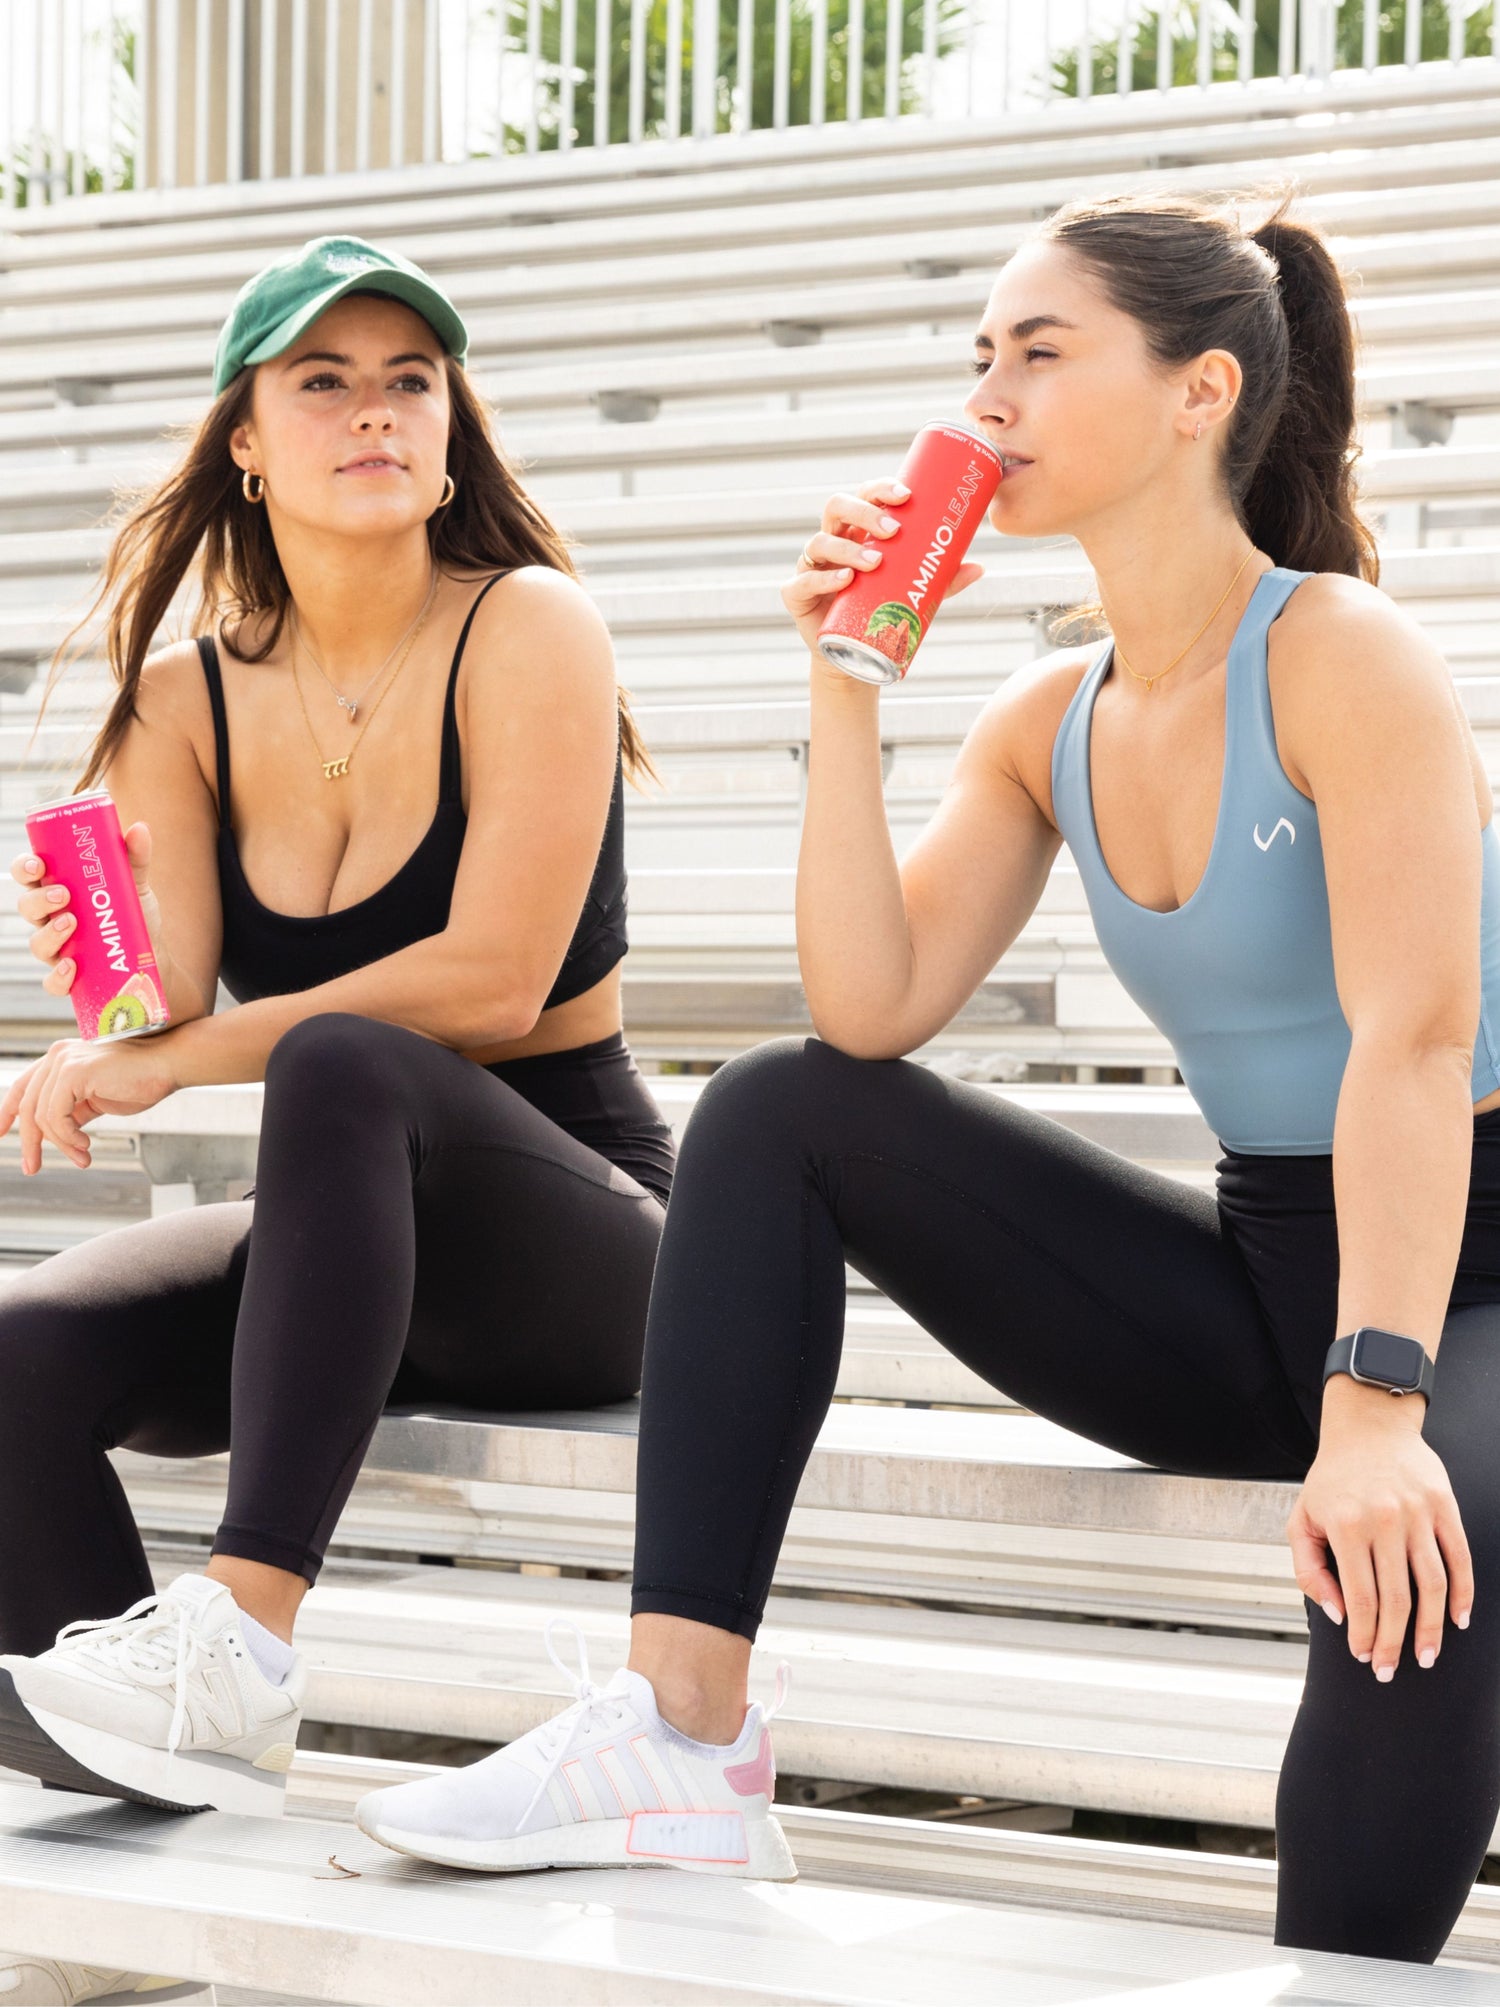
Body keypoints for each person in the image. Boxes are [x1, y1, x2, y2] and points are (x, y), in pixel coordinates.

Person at [355, 190, 1500, 1965]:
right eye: (981, 358)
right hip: (1275, 1261)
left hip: (1463, 1272)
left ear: (1202, 394)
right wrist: (847, 686)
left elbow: (1420, 1045)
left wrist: (1376, 1411)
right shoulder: (1050, 715)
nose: (989, 401)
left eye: (1042, 356)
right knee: (777, 1111)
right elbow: (868, 1011)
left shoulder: (1346, 659)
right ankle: (682, 1737)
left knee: (1418, 1560)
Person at [0, 233, 677, 2006]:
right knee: (15, 1350)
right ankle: (140, 1875)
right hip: (355, 1240)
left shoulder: (530, 623)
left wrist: (178, 1054)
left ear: (452, 426)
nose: (374, 411)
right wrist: (108, 990)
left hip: (579, 1226)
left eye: (410, 381)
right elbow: (167, 1007)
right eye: (324, 381)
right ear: (247, 434)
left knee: (345, 1058)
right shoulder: (184, 694)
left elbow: (499, 985)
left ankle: (245, 1636)